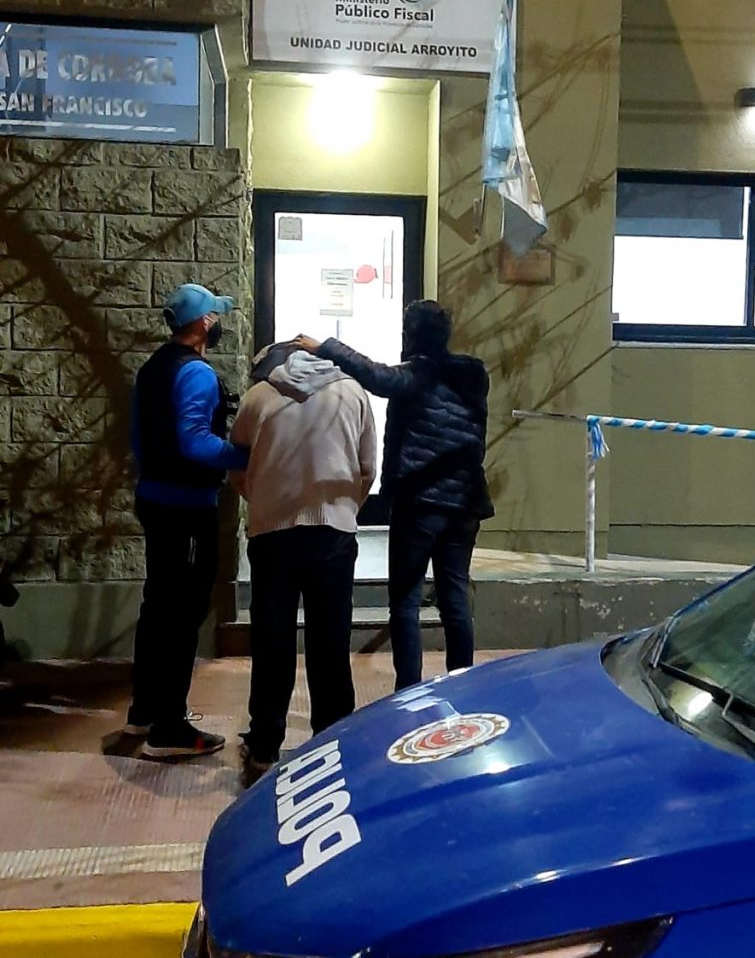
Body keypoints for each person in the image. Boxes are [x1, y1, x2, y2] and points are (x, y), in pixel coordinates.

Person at [294, 300, 493, 691]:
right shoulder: (473, 375)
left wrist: (326, 347)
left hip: (420, 502)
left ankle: (408, 691)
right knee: (455, 596)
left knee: (405, 600)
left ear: (411, 335)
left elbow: (378, 377)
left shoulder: (419, 375)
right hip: (465, 501)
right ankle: (463, 684)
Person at [229, 343, 376, 782]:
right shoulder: (352, 393)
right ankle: (332, 741)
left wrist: (263, 501)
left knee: (271, 642)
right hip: (333, 532)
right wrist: (345, 510)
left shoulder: (258, 397)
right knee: (330, 642)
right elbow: (367, 468)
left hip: (272, 533)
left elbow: (238, 467)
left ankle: (263, 746)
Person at [128, 284, 249, 760]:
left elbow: (139, 439)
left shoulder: (153, 367)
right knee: (183, 612)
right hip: (186, 508)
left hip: (155, 499)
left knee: (158, 604)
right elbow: (195, 441)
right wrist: (245, 456)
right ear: (203, 323)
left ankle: (145, 709)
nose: (219, 322)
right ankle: (170, 728)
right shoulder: (196, 372)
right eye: (216, 315)